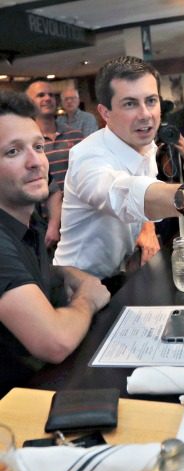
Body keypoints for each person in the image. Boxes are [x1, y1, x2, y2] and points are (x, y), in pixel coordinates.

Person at [53, 56, 184, 291]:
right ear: (105, 112)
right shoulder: (87, 156)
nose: (145, 114)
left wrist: (146, 227)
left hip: (123, 275)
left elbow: (143, 196)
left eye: (151, 101)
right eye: (130, 104)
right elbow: (121, 194)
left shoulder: (149, 146)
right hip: (75, 284)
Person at [0, 91, 110, 396]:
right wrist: (87, 297)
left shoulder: (27, 215)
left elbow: (34, 267)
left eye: (38, 146)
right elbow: (55, 341)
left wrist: (65, 273)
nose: (35, 162)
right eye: (13, 152)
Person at [25, 79, 84, 250]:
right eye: (40, 95)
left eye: (51, 95)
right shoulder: (25, 143)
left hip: (79, 220)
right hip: (41, 227)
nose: (47, 98)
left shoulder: (76, 136)